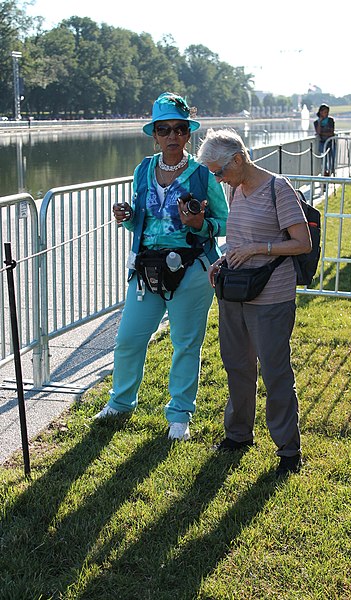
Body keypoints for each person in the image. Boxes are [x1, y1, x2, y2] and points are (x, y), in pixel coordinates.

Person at [94, 93, 228, 441]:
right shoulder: (143, 170)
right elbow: (142, 218)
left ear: (188, 134)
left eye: (179, 129)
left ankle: (180, 415)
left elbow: (225, 221)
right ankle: (121, 402)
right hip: (146, 269)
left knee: (186, 344)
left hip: (193, 269)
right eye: (164, 129)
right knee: (128, 339)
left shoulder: (202, 176)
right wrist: (126, 217)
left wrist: (199, 224)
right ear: (154, 134)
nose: (172, 136)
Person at [197, 128, 311, 476]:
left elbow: (302, 243)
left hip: (271, 297)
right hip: (235, 293)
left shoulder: (279, 189)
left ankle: (288, 451)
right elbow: (240, 239)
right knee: (237, 366)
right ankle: (238, 435)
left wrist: (260, 249)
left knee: (275, 373)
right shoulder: (235, 189)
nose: (217, 179)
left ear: (238, 159)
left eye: (219, 171)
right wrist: (224, 259)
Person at [314, 103, 335, 176]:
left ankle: (331, 172)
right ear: (321, 112)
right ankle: (325, 172)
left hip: (331, 142)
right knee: (323, 159)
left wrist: (323, 133)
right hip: (322, 143)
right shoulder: (316, 122)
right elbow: (318, 132)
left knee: (332, 158)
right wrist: (320, 122)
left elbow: (331, 132)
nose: (326, 114)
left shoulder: (330, 120)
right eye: (325, 112)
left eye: (327, 112)